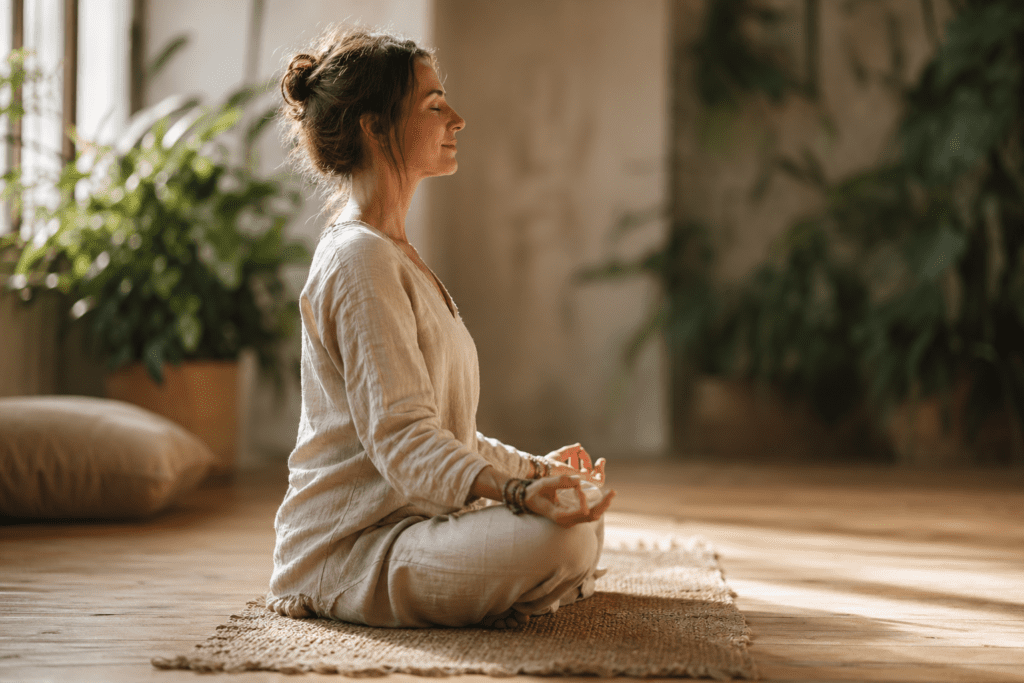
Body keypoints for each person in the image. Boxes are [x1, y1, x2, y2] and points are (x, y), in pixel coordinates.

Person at [268, 26, 615, 630]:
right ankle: (533, 581)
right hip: (351, 551)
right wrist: (515, 495)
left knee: (576, 513)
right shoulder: (360, 261)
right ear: (374, 128)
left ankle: (526, 576)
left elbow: (447, 434)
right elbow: (403, 439)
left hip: (416, 526)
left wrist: (538, 472)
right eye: (433, 106)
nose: (457, 118)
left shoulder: (392, 254)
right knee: (560, 542)